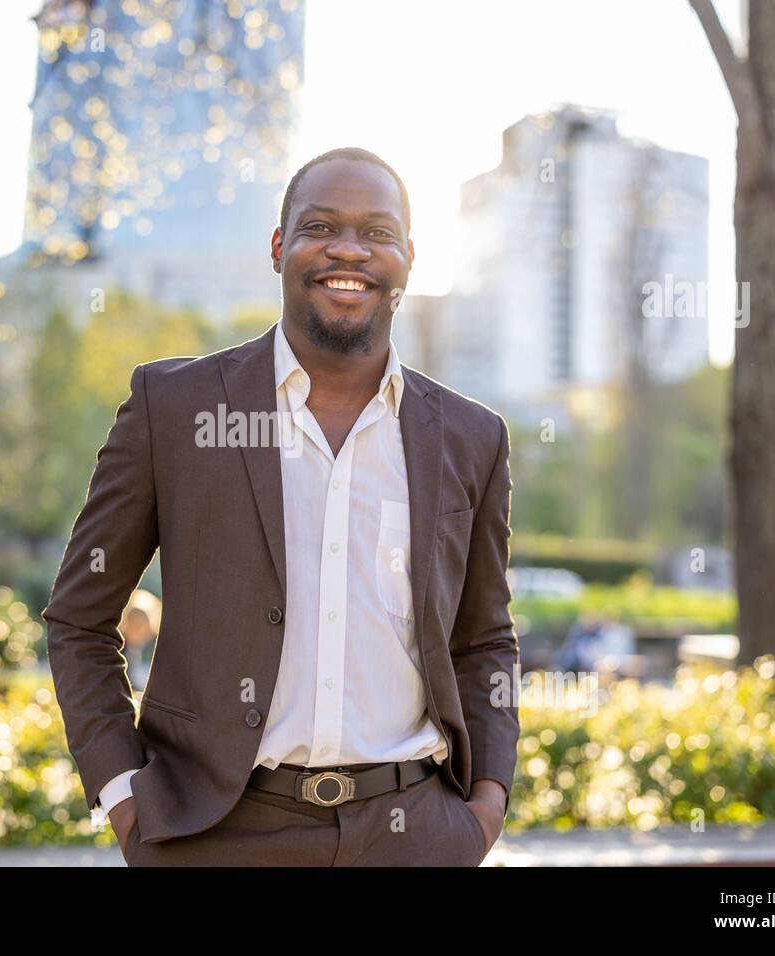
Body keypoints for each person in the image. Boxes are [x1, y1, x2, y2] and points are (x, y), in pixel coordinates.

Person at [43, 147, 520, 866]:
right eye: (320, 226)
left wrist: (485, 804)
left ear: (409, 258)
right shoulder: (172, 409)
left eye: (377, 233)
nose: (348, 250)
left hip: (414, 835)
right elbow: (79, 619)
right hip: (216, 836)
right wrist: (125, 801)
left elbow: (484, 639)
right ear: (278, 247)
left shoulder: (470, 437)